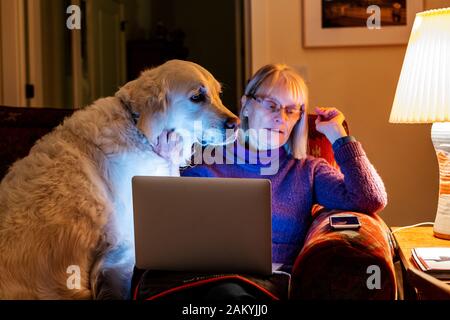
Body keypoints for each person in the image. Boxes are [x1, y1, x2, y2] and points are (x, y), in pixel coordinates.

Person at [153, 63, 388, 300]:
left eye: (292, 110)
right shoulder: (199, 159)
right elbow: (162, 228)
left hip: (263, 288)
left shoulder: (307, 171)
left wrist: (340, 137)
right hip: (198, 282)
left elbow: (370, 198)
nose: (280, 118)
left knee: (230, 296)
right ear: (245, 105)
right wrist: (167, 166)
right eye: (271, 106)